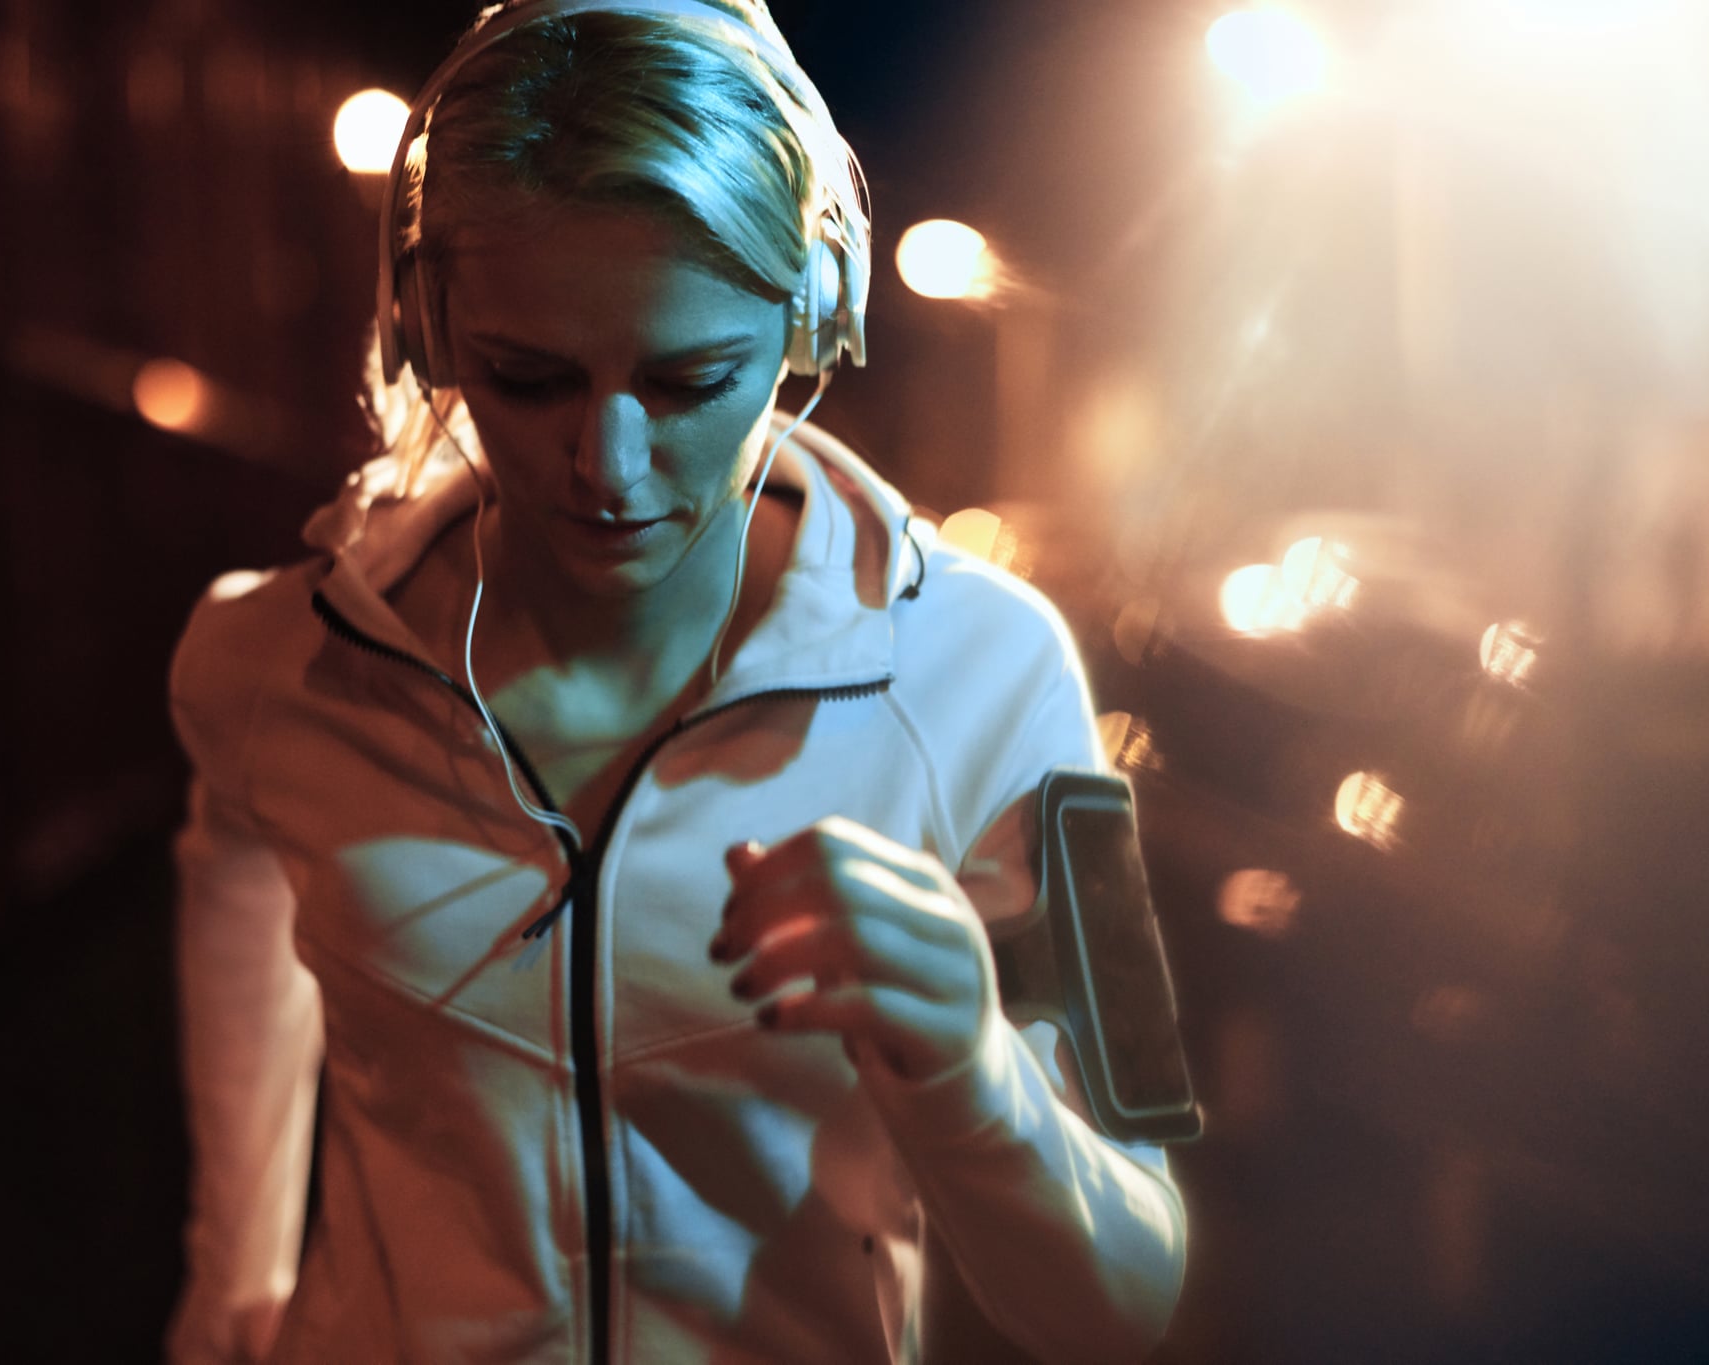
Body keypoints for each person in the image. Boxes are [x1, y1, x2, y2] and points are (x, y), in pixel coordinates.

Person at [163, 2, 1186, 1362]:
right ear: (425, 319)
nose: (611, 465)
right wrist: (232, 1269)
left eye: (694, 376)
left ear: (813, 316)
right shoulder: (264, 662)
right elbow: (236, 859)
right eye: (528, 379)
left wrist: (971, 1071)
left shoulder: (1002, 676)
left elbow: (1134, 1288)